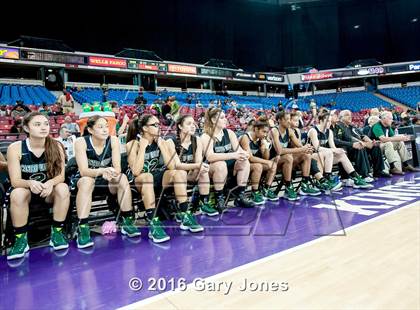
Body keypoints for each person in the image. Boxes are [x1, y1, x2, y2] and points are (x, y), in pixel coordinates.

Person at [126, 115, 203, 244]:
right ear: (145, 128)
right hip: (139, 181)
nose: (159, 127)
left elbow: (172, 166)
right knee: (148, 176)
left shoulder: (162, 141)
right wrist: (143, 148)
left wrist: (162, 146)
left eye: (158, 124)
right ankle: (153, 223)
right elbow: (136, 171)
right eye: (155, 125)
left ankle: (185, 215)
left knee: (178, 173)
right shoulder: (132, 144)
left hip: (157, 178)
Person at [6, 112, 70, 260]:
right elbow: (15, 180)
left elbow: (61, 176)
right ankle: (21, 239)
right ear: (27, 129)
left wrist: (50, 183)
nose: (43, 127)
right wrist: (29, 183)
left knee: (63, 187)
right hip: (26, 191)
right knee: (18, 193)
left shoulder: (56, 146)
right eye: (37, 124)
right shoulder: (15, 148)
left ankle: (57, 233)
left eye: (46, 124)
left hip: (48, 192)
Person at [71, 116, 140, 249]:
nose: (105, 130)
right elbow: (84, 171)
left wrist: (112, 173)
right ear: (90, 130)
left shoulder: (113, 140)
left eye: (106, 126)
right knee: (86, 181)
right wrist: (103, 170)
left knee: (122, 178)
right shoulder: (81, 142)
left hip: (107, 179)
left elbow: (118, 168)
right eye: (100, 127)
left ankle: (127, 220)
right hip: (88, 179)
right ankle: (83, 227)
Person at [201, 108, 254, 211]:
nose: (225, 119)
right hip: (211, 168)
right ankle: (219, 200)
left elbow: (239, 150)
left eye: (225, 117)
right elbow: (210, 157)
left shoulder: (229, 133)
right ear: (213, 120)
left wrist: (245, 154)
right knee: (220, 164)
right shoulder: (206, 136)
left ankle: (240, 196)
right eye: (221, 118)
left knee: (245, 162)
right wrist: (234, 155)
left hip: (228, 166)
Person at [307, 110, 371, 189]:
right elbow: (317, 148)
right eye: (327, 121)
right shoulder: (313, 130)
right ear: (320, 121)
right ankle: (328, 178)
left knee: (341, 154)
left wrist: (338, 150)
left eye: (330, 121)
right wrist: (333, 150)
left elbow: (333, 147)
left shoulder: (329, 131)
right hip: (312, 156)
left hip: (325, 156)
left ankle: (356, 177)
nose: (329, 123)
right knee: (329, 152)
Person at [171, 115, 218, 216]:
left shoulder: (196, 140)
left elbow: (198, 162)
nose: (193, 126)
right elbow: (177, 165)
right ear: (180, 126)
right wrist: (198, 166)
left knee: (203, 170)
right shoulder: (171, 141)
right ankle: (183, 209)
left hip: (190, 175)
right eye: (189, 124)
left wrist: (200, 167)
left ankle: (204, 203)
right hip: (174, 176)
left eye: (193, 124)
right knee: (183, 171)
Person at [270, 111, 321, 200]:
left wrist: (307, 148)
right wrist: (302, 149)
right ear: (279, 120)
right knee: (288, 157)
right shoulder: (274, 131)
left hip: (286, 161)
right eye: (286, 119)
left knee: (306, 155)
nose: (289, 121)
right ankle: (288, 188)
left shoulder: (289, 131)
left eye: (289, 119)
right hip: (273, 161)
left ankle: (304, 185)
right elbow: (279, 151)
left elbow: (300, 145)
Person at [334, 110, 389, 179]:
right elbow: (350, 138)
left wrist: (371, 142)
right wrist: (363, 143)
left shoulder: (352, 126)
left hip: (358, 144)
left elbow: (363, 136)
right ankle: (364, 174)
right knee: (360, 147)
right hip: (348, 147)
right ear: (341, 117)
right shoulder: (339, 126)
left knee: (375, 147)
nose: (350, 117)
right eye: (347, 115)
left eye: (351, 115)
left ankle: (378, 171)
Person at [289, 112, 333, 192]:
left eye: (298, 120)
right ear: (288, 120)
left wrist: (306, 148)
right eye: (295, 120)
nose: (297, 122)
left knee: (310, 156)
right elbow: (296, 148)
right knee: (309, 156)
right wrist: (304, 149)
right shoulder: (285, 131)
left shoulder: (297, 131)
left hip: (297, 156)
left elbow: (300, 146)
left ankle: (317, 182)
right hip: (288, 158)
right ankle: (322, 180)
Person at [239, 118, 279, 204]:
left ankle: (266, 189)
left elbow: (266, 158)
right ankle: (255, 192)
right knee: (258, 166)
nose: (265, 135)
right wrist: (267, 162)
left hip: (252, 166)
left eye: (266, 132)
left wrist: (266, 148)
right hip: (241, 166)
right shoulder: (245, 138)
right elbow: (251, 158)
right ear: (256, 129)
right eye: (263, 132)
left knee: (273, 165)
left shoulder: (260, 140)